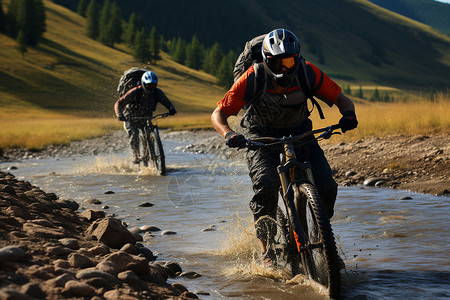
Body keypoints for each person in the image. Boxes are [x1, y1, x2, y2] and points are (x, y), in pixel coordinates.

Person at [211, 29, 358, 266]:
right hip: (260, 135)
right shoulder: (252, 77)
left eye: (289, 61)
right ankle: (267, 248)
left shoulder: (307, 72)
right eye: (277, 62)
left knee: (327, 185)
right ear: (266, 59)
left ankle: (324, 238)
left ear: (297, 58)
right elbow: (219, 113)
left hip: (300, 132)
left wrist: (348, 114)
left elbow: (341, 98)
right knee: (266, 186)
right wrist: (229, 134)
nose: (284, 68)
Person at [114, 71, 177, 164]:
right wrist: (119, 114)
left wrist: (171, 108)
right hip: (130, 116)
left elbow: (166, 102)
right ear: (143, 83)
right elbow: (119, 102)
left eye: (153, 85)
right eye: (148, 85)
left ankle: (150, 150)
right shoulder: (135, 91)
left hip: (146, 115)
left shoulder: (157, 92)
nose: (151, 88)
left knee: (148, 131)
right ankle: (136, 155)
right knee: (134, 133)